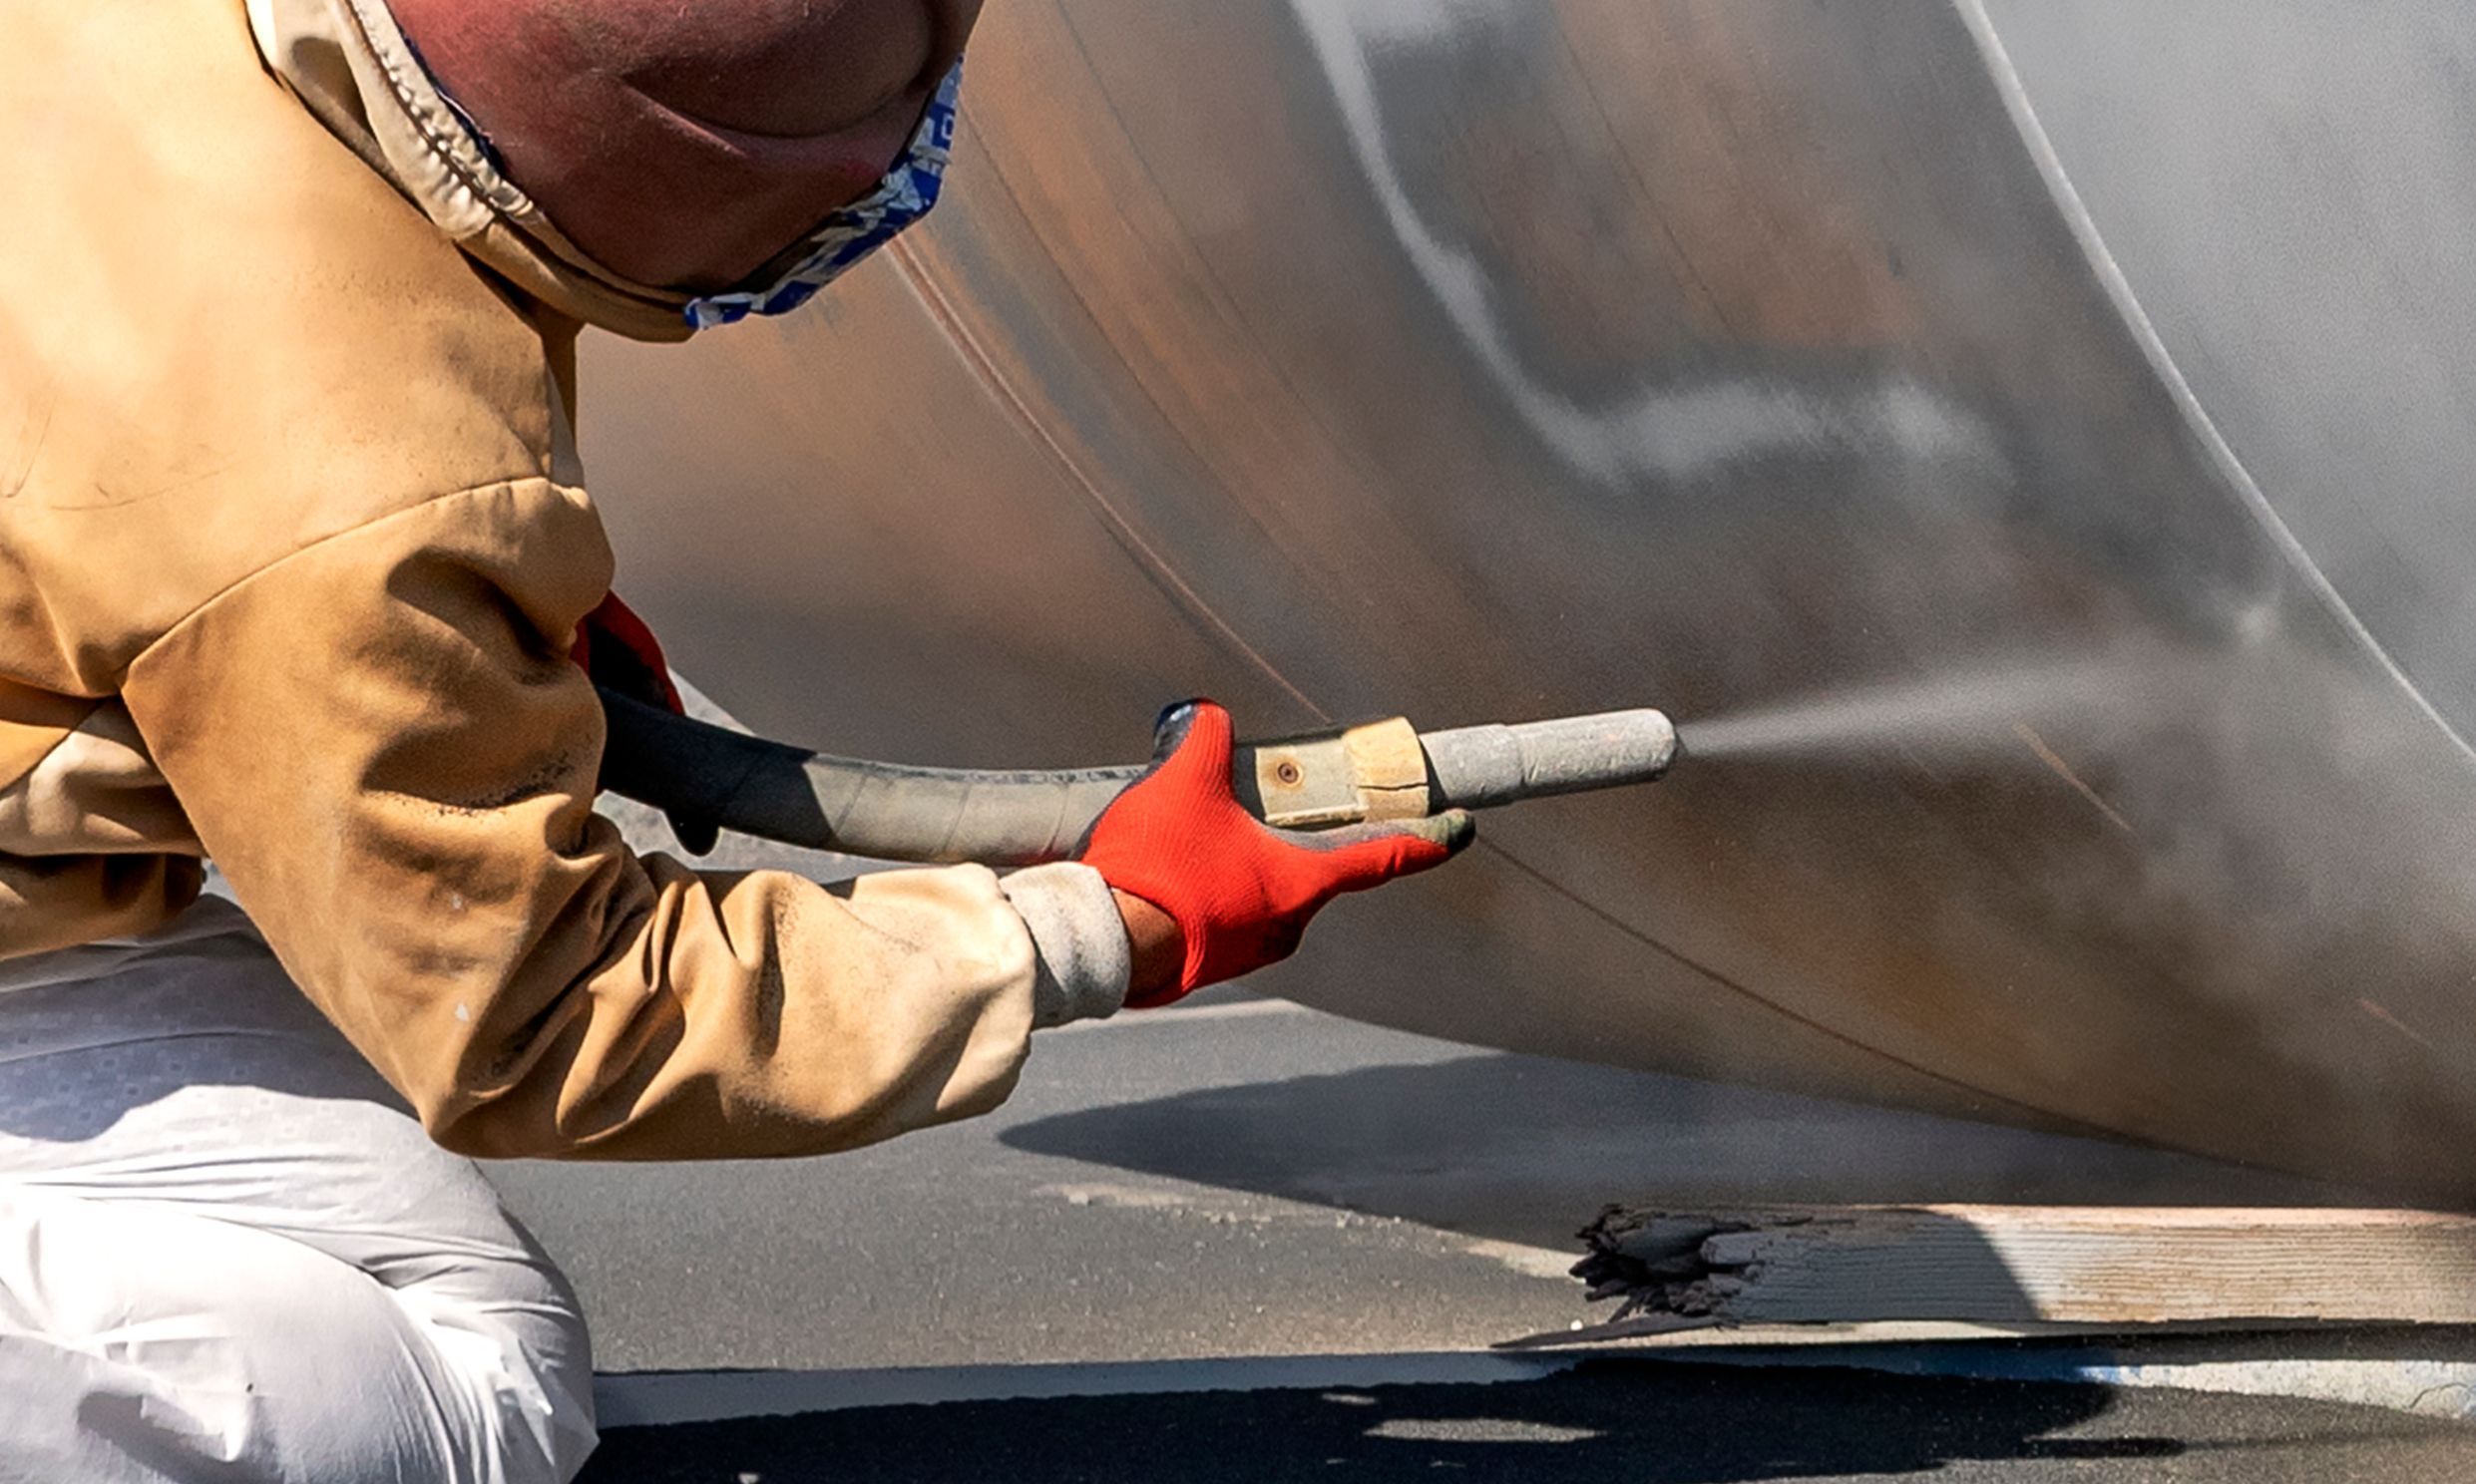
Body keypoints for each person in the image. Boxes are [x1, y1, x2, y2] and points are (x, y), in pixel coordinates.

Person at [0, 2, 1472, 1479]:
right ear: (672, 176)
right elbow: (535, 1016)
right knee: (467, 1403)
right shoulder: (347, 490)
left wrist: (456, 648)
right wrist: (1090, 931)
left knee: (458, 1306)